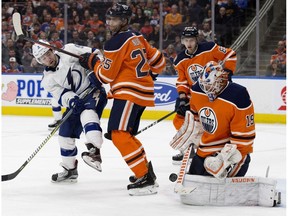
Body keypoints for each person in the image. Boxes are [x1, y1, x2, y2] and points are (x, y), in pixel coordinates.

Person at [79, 3, 166, 196]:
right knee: (126, 135)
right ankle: (145, 173)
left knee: (118, 134)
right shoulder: (138, 37)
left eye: (114, 19)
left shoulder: (115, 42)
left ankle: (144, 177)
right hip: (142, 92)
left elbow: (106, 77)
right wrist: (148, 72)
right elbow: (159, 62)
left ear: (124, 21)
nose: (109, 23)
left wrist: (92, 62)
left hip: (129, 92)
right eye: (109, 19)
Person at [32, 40, 107, 182]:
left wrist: (96, 72)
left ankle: (94, 151)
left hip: (94, 91)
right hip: (77, 101)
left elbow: (96, 54)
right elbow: (61, 94)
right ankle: (70, 170)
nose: (47, 58)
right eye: (43, 58)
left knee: (87, 114)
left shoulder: (69, 50)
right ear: (39, 61)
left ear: (52, 50)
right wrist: (71, 100)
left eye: (48, 53)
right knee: (64, 134)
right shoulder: (47, 80)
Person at [170, 61, 255, 179]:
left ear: (222, 80)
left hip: (232, 149)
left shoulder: (238, 95)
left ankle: (236, 165)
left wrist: (225, 158)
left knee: (221, 181)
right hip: (207, 146)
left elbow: (244, 136)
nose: (207, 90)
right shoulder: (197, 89)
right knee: (195, 180)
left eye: (210, 86)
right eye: (204, 86)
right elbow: (196, 118)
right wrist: (193, 132)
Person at [172, 26, 237, 164]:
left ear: (196, 40)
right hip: (196, 95)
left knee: (212, 121)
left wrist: (227, 73)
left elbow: (230, 54)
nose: (189, 43)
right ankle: (190, 148)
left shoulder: (209, 48)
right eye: (186, 40)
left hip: (215, 92)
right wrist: (183, 99)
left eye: (191, 40)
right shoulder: (180, 59)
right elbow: (182, 81)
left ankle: (214, 147)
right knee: (179, 119)